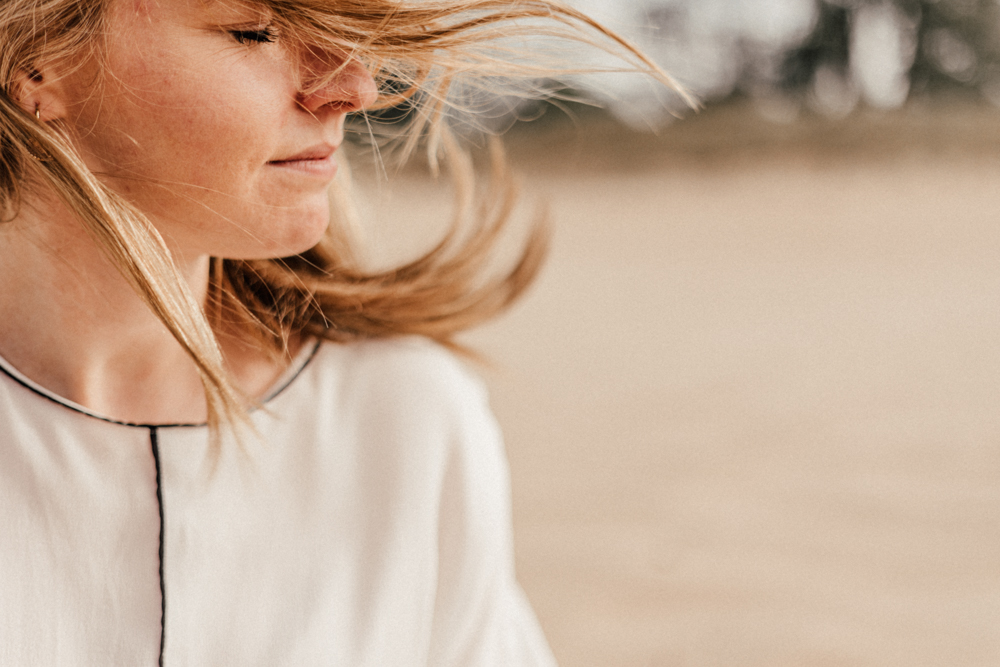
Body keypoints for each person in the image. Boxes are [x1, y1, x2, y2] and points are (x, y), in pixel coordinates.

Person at [0, 0, 680, 664]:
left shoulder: (403, 420)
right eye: (256, 31)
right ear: (35, 64)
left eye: (341, 28)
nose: (352, 86)